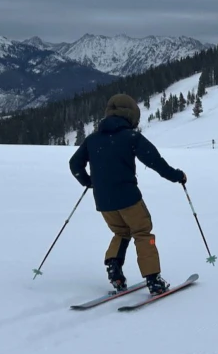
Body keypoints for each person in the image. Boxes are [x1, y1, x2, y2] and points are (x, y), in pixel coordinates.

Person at [68, 93, 187, 296]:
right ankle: (154, 280)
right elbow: (155, 162)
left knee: (121, 232)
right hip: (128, 198)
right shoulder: (131, 137)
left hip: (103, 201)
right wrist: (178, 176)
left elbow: (74, 164)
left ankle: (114, 267)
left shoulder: (93, 139)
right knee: (142, 233)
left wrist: (89, 182)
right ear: (131, 115)